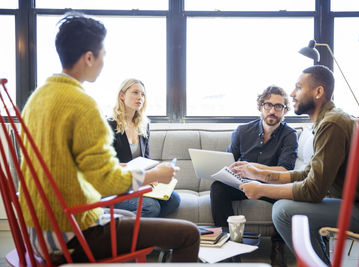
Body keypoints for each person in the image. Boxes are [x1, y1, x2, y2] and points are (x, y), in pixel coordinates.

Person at [20, 13, 199, 263]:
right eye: (102, 53)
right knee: (189, 234)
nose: (104, 61)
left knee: (133, 217)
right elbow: (106, 182)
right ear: (89, 57)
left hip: (37, 230)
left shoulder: (37, 98)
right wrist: (156, 176)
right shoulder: (82, 105)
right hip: (70, 232)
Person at [231, 65, 359, 264]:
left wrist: (262, 190)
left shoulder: (333, 124)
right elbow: (307, 173)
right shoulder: (327, 121)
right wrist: (259, 173)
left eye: (299, 88)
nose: (292, 94)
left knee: (283, 211)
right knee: (285, 208)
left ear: (318, 92)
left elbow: (313, 190)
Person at [210, 85, 298, 267]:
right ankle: (227, 243)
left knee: (286, 196)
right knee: (217, 188)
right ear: (260, 106)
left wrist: (254, 169)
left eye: (278, 106)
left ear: (285, 110)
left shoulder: (290, 135)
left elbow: (285, 171)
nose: (272, 111)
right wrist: (226, 171)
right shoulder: (242, 131)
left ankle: (277, 245)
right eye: (268, 105)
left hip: (271, 186)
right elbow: (229, 161)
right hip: (242, 184)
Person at [108, 78, 180, 217]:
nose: (140, 97)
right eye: (135, 92)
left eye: (142, 94)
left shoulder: (143, 124)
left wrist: (153, 176)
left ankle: (146, 230)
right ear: (122, 95)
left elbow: (146, 159)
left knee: (174, 200)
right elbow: (107, 166)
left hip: (139, 183)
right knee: (151, 207)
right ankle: (132, 236)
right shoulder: (109, 125)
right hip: (119, 187)